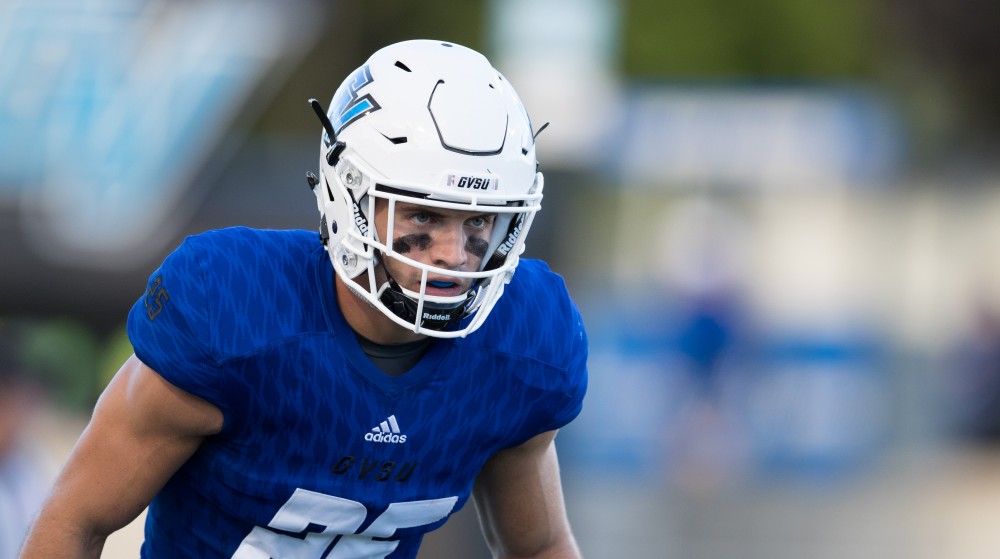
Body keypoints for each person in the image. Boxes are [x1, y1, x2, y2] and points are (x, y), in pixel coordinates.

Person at [19, 39, 588, 559]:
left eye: (480, 222)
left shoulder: (525, 343)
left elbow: (540, 547)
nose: (455, 254)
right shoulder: (238, 309)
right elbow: (77, 519)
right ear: (349, 194)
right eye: (423, 214)